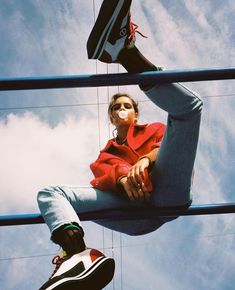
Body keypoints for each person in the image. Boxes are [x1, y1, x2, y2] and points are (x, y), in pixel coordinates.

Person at [37, 0, 203, 289]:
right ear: (112, 117)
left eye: (127, 105)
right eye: (116, 108)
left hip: (167, 194)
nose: (121, 109)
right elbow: (103, 177)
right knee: (51, 194)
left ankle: (126, 53)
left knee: (190, 110)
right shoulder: (107, 152)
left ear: (136, 113)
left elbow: (165, 147)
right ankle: (75, 256)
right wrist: (124, 176)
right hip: (134, 214)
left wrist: (145, 161)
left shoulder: (152, 128)